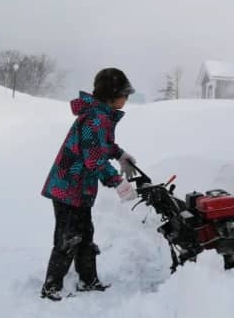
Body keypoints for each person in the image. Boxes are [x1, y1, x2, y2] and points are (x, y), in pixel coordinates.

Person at [39, 68, 138, 301]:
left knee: (85, 234)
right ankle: (51, 287)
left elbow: (103, 145)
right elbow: (94, 159)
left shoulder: (101, 116)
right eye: (125, 93)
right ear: (112, 95)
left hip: (80, 189)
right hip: (67, 188)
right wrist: (116, 182)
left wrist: (121, 154)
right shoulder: (94, 119)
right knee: (68, 237)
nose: (127, 98)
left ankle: (87, 280)